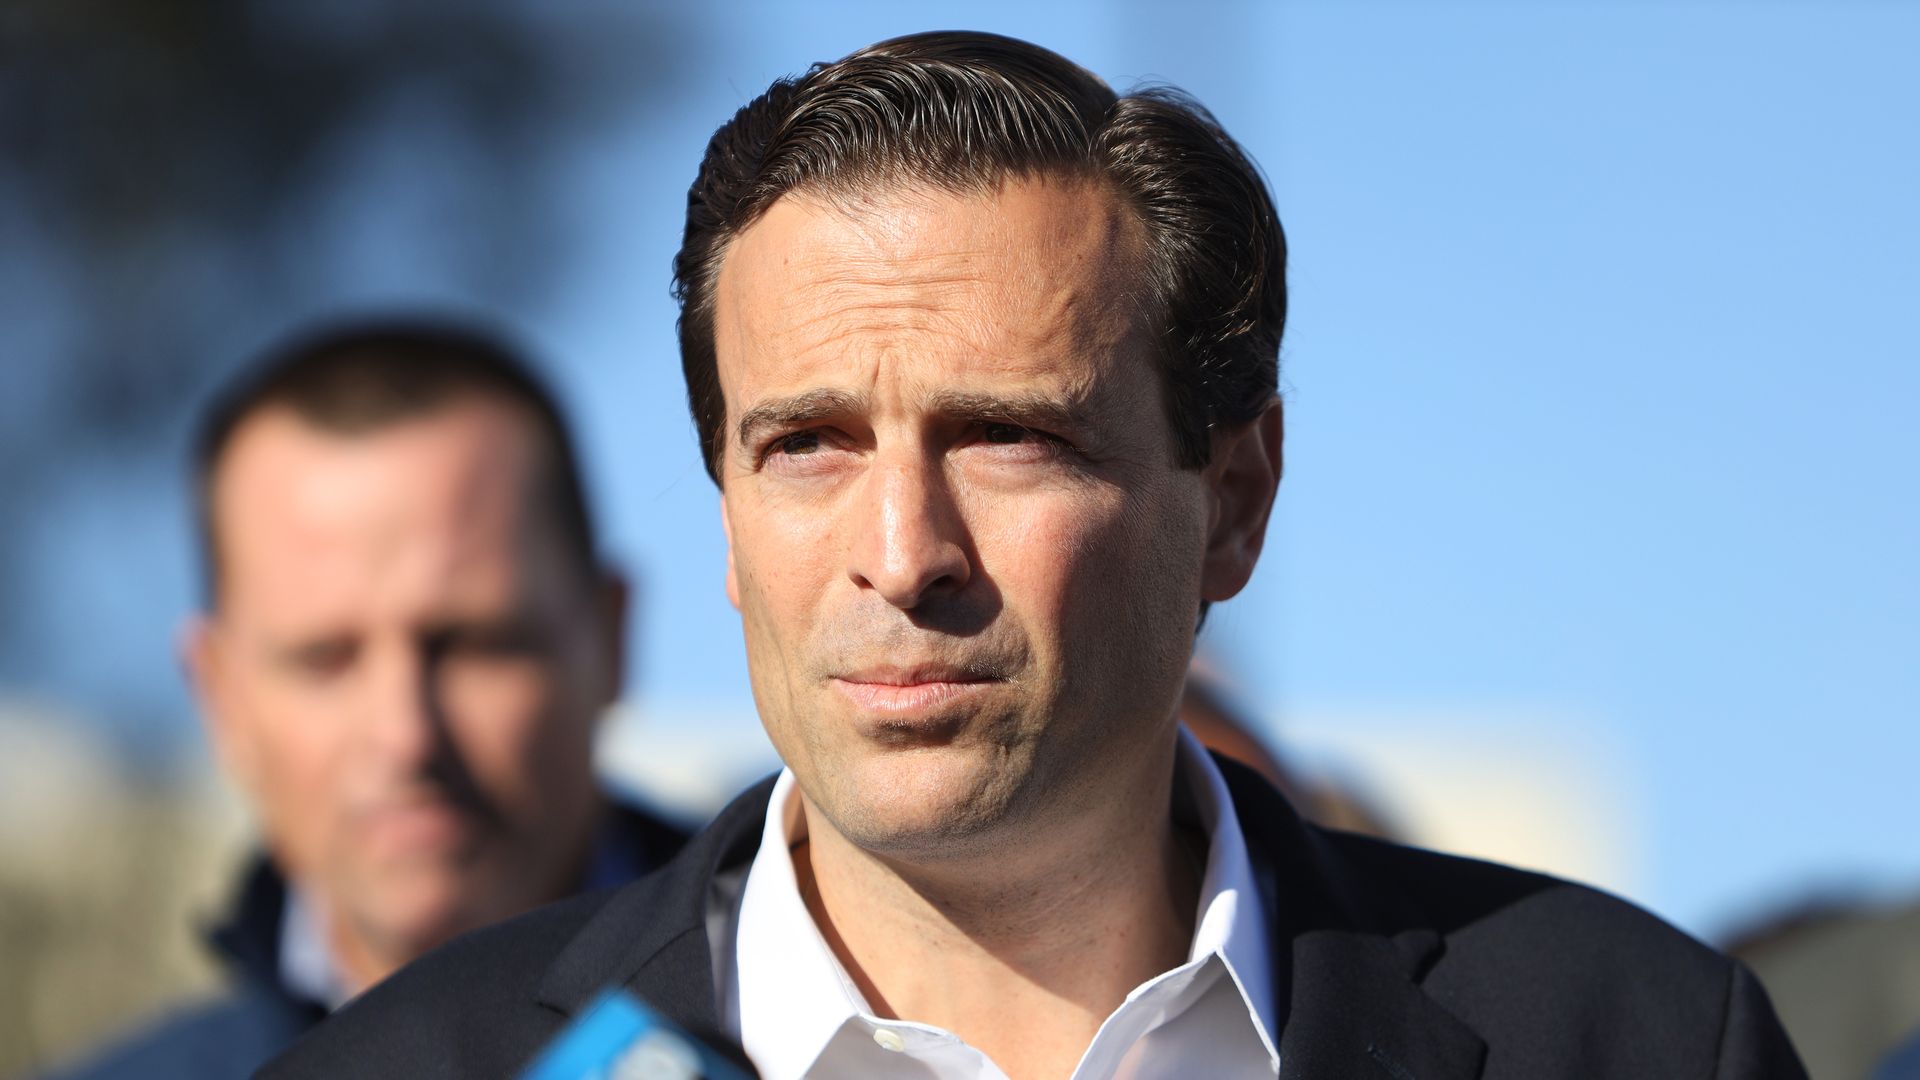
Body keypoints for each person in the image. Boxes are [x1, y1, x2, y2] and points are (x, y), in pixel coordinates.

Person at [262, 32, 1806, 1079]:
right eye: (807, 446)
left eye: (1010, 438)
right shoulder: (412, 1067)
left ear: (1237, 497)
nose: (902, 552)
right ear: (726, 520)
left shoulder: (1638, 1041)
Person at [48, 321, 689, 1079]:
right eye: (324, 660)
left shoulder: (825, 1026)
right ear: (218, 694)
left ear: (609, 640)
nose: (404, 735)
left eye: (472, 644)